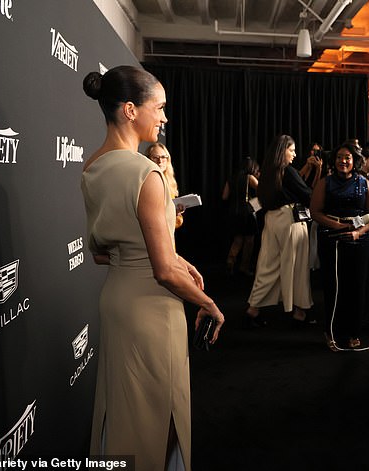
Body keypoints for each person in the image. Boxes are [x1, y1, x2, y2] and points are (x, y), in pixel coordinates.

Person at [81, 65, 225, 471]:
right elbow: (162, 270)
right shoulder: (148, 174)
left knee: (124, 411)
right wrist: (209, 303)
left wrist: (182, 261)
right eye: (159, 108)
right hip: (151, 311)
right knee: (156, 415)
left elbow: (105, 252)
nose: (164, 117)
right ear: (130, 110)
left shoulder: (92, 166)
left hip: (116, 302)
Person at [311, 143, 369, 350]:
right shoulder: (325, 182)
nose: (343, 161)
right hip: (330, 238)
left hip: (358, 240)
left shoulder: (364, 182)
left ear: (355, 161)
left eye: (348, 158)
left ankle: (353, 333)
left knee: (356, 286)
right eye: (340, 157)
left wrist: (358, 232)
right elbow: (315, 212)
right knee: (333, 286)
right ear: (334, 160)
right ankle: (331, 332)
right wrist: (339, 226)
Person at [245, 135, 313, 327]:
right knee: (297, 265)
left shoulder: (266, 172)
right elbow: (308, 194)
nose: (294, 154)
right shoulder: (288, 172)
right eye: (291, 150)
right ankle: (300, 311)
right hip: (290, 220)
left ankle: (253, 310)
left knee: (268, 265)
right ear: (282, 150)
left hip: (271, 219)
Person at [222, 156, 260, 276]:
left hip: (233, 212)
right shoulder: (250, 178)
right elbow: (262, 190)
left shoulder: (231, 178)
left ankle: (230, 261)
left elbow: (224, 197)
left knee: (237, 239)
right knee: (249, 240)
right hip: (247, 213)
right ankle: (244, 267)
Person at [145, 142, 184, 229]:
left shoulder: (170, 183)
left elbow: (175, 222)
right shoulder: (144, 182)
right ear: (148, 159)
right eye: (155, 157)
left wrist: (176, 213)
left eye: (163, 157)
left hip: (168, 235)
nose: (160, 161)